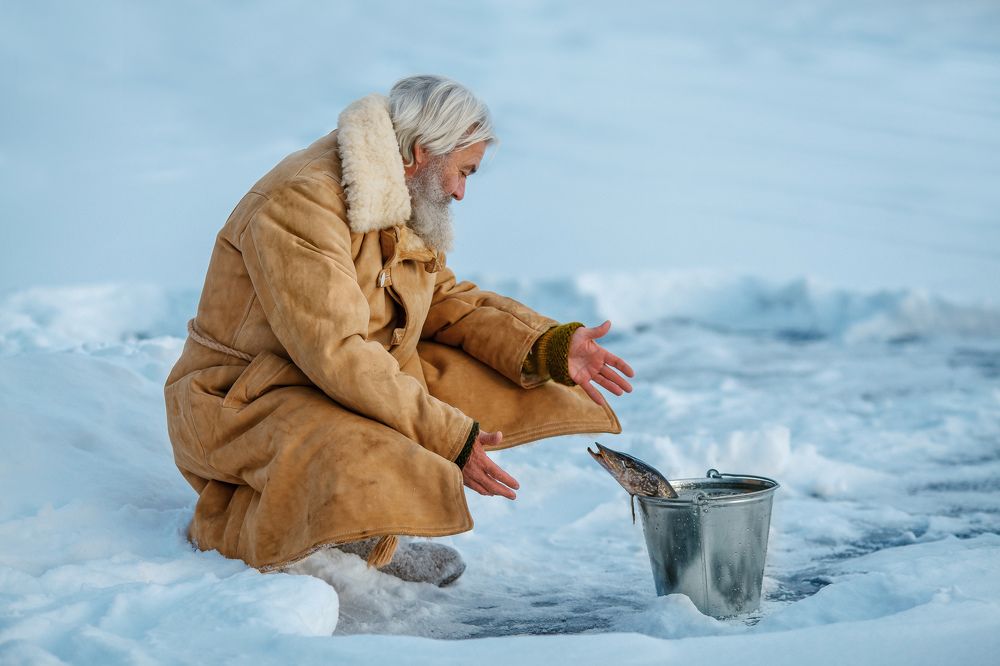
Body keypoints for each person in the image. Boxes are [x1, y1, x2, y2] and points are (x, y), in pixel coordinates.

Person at [163, 75, 635, 587]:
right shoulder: (303, 200)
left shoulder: (391, 189)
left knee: (469, 369)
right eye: (462, 171)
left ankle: (356, 521)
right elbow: (337, 351)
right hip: (237, 400)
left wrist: (545, 344)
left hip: (307, 378)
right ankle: (248, 526)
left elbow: (442, 299)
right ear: (421, 151)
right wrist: (448, 436)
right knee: (373, 432)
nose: (460, 191)